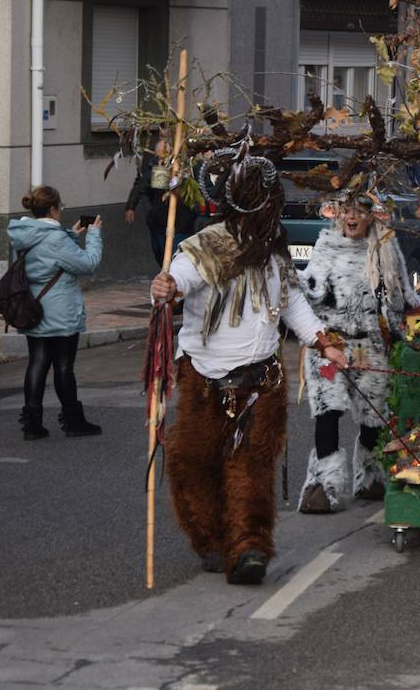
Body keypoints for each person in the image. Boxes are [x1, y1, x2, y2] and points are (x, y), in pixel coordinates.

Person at [150, 151, 348, 585]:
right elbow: (180, 278)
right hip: (205, 380)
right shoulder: (206, 246)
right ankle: (213, 540)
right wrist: (167, 287)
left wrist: (322, 341)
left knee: (252, 468)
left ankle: (249, 548)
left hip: (262, 381)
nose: (269, 212)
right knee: (195, 463)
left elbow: (293, 301)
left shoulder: (273, 254)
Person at [297, 194, 420, 514]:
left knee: (374, 415)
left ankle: (369, 476)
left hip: (371, 343)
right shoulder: (326, 246)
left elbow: (401, 293)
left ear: (371, 216)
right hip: (331, 344)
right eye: (346, 211)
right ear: (337, 215)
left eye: (359, 211)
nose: (352, 217)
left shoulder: (385, 249)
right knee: (328, 412)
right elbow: (308, 291)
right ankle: (322, 485)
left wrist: (413, 326)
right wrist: (286, 280)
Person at [8, 186, 104, 440]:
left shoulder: (23, 233)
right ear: (53, 209)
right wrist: (93, 235)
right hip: (60, 309)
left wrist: (71, 234)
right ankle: (73, 421)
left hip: (32, 307)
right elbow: (88, 263)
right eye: (60, 207)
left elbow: (45, 259)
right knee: (63, 366)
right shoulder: (55, 239)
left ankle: (32, 424)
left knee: (37, 362)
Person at [124, 129, 198, 263]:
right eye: (161, 136)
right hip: (157, 221)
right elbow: (142, 186)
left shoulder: (188, 160)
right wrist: (138, 207)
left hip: (181, 222)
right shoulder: (152, 161)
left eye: (167, 136)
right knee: (161, 256)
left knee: (175, 259)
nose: (163, 141)